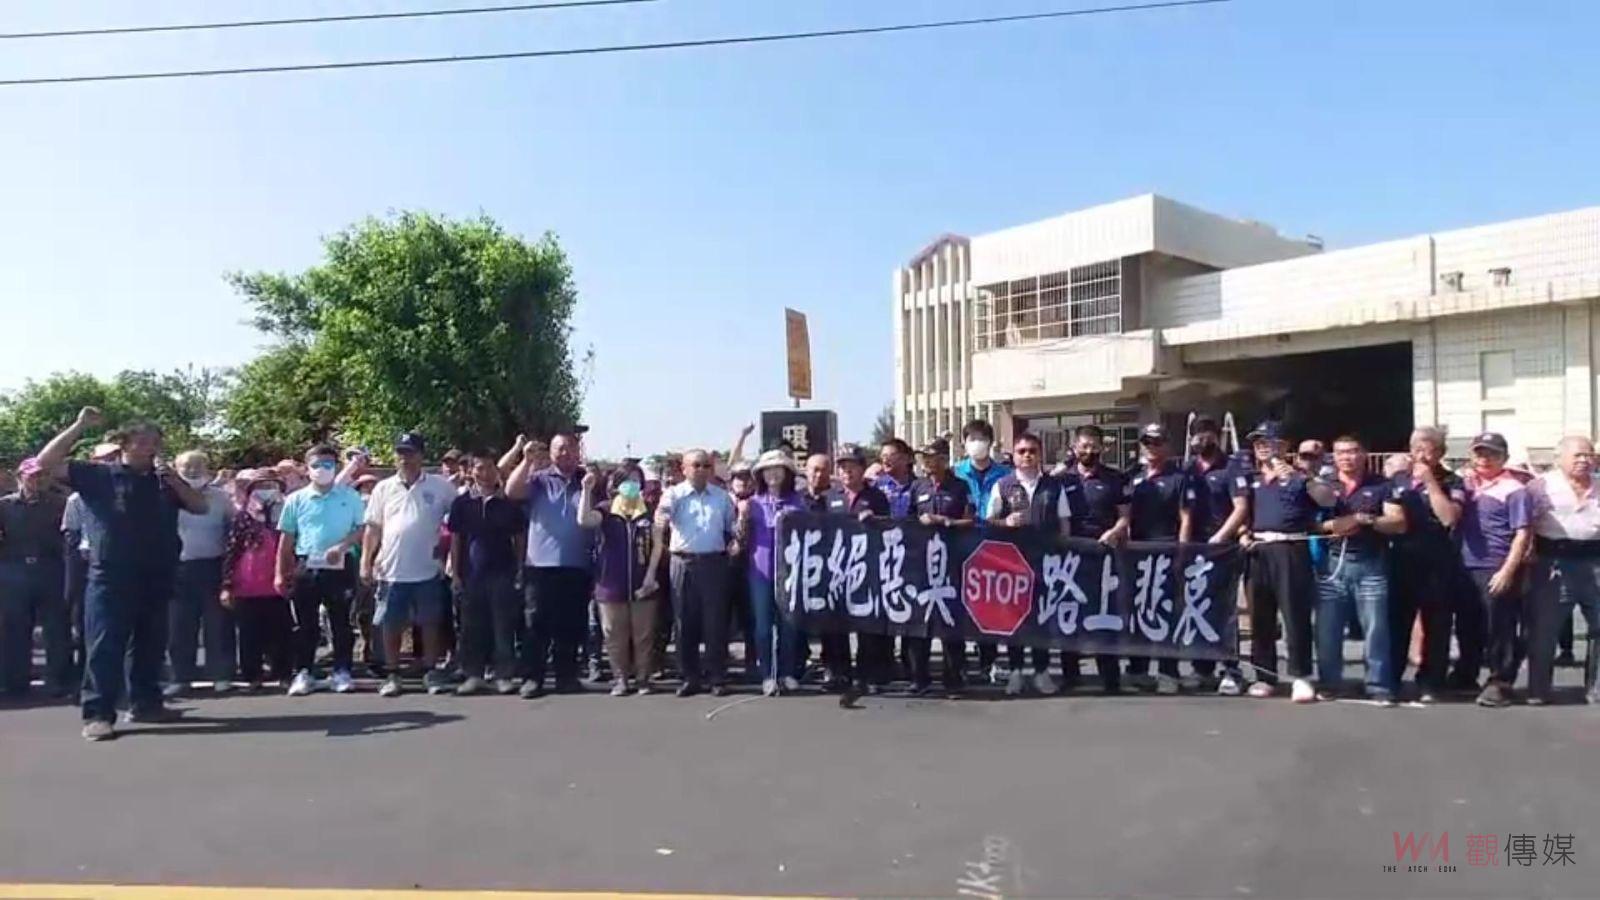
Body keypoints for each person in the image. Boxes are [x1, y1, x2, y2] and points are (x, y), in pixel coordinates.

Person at [34, 409, 209, 741]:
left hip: (157, 574)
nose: (149, 448)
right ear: (124, 445)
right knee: (105, 646)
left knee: (150, 645)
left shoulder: (164, 480)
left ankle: (146, 704)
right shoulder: (98, 475)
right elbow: (44, 463)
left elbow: (200, 507)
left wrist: (174, 479)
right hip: (111, 576)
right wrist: (79, 426)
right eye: (142, 442)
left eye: (154, 442)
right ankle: (98, 714)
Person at [1240, 421, 1335, 703]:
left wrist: (1300, 476)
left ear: (1283, 446)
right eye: (1257, 442)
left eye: (1266, 441)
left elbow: (1327, 500)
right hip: (1259, 549)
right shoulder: (1252, 479)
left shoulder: (1299, 477)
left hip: (1290, 547)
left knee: (1295, 614)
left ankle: (1301, 675)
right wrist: (1243, 534)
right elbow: (1243, 514)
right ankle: (1264, 675)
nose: (1261, 447)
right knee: (1260, 616)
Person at [361, 433, 457, 697]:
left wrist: (449, 553)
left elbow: (459, 521)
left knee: (430, 622)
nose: (405, 458)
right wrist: (365, 562)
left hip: (428, 568)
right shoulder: (383, 488)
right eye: (401, 453)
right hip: (391, 570)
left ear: (421, 456)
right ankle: (393, 674)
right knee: (391, 624)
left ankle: (430, 671)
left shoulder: (441, 487)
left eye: (410, 453)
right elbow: (373, 528)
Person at [1313, 435, 1405, 704]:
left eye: (1353, 451)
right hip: (1333, 564)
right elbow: (1310, 524)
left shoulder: (1382, 485)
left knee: (1376, 628)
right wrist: (1336, 525)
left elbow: (1398, 522)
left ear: (1364, 454)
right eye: (1341, 452)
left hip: (1371, 564)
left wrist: (1368, 521)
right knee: (1327, 629)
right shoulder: (1323, 486)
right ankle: (1330, 683)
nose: (1347, 457)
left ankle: (1378, 685)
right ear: (1333, 457)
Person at [641, 448, 739, 697]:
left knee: (716, 622)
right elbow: (661, 518)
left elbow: (731, 528)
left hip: (714, 563)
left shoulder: (722, 497)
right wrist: (661, 519)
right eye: (696, 465)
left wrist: (735, 540)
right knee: (684, 622)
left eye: (706, 466)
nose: (702, 470)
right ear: (684, 469)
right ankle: (689, 677)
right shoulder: (674, 494)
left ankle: (717, 676)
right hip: (683, 563)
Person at [986, 432, 1076, 696]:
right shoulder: (1002, 485)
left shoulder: (1053, 486)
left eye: (1032, 451)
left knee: (1041, 619)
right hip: (1012, 565)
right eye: (1022, 451)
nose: (1027, 456)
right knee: (1014, 620)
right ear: (1014, 456)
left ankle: (1041, 671)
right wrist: (1005, 522)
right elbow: (988, 522)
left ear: (1039, 455)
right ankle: (1016, 671)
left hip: (1045, 563)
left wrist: (1063, 553)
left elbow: (1064, 523)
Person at [506, 433, 593, 698]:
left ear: (578, 451)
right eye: (560, 448)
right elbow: (512, 491)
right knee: (535, 624)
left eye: (570, 448)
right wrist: (526, 460)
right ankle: (533, 678)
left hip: (577, 565)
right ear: (551, 452)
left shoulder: (586, 480)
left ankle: (567, 676)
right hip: (540, 565)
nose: (565, 453)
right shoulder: (539, 479)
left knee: (570, 624)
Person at [274, 445, 366, 696]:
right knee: (306, 624)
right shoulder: (296, 499)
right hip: (307, 565)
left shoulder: (350, 496)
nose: (322, 470)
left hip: (340, 564)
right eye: (316, 465)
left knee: (341, 621)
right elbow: (286, 539)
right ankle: (304, 671)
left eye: (327, 464)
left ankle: (342, 671)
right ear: (307, 469)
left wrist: (342, 546)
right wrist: (280, 573)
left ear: (336, 467)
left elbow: (360, 529)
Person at [1388, 426, 1468, 704]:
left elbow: (1449, 518)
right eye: (1416, 449)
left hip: (1438, 558)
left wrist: (1431, 483)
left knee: (1437, 623)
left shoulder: (1453, 481)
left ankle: (1431, 680)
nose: (1421, 455)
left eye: (1428, 450)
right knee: (1397, 621)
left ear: (1441, 453)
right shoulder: (1399, 479)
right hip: (1403, 557)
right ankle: (1392, 677)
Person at [1454, 432, 1533, 707]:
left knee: (1499, 628)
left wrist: (1507, 571)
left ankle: (1500, 681)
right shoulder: (1466, 485)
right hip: (1466, 566)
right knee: (1468, 624)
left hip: (1496, 565)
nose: (1484, 459)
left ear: (1504, 458)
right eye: (1479, 453)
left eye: (1492, 454)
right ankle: (1466, 674)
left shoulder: (1514, 489)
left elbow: (1522, 533)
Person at [1525, 436, 1600, 705]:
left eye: (1588, 455)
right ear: (1560, 458)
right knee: (1545, 629)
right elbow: (1526, 524)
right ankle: (1539, 689)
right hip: (1554, 561)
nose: (1584, 460)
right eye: (1577, 455)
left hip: (1594, 560)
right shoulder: (1541, 486)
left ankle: (1596, 689)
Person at [445, 454, 528, 695]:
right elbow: (456, 539)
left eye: (490, 467)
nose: (486, 473)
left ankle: (503, 675)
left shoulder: (508, 503)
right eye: (480, 468)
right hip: (471, 574)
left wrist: (520, 568)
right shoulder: (462, 503)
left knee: (503, 627)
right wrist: (456, 573)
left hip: (503, 572)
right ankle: (474, 675)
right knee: (472, 628)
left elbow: (519, 538)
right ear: (472, 471)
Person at [1122, 424, 1195, 694]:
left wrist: (1182, 551)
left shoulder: (1179, 477)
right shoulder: (1133, 475)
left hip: (1167, 549)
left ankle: (1168, 672)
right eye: (1147, 442)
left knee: (1167, 613)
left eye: (1157, 442)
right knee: (1139, 611)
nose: (1151, 447)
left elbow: (1186, 517)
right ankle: (1138, 671)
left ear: (1166, 444)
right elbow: (1124, 514)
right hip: (1137, 552)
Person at [1062, 424, 1129, 694]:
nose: (1089, 451)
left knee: (1105, 616)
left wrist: (1114, 532)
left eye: (1094, 446)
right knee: (1069, 615)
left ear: (1102, 448)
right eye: (1084, 446)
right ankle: (1070, 676)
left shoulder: (1115, 478)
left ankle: (1110, 678)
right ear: (1074, 448)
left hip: (1105, 556)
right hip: (1071, 557)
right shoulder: (1062, 479)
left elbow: (1125, 517)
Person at [1184, 417, 1249, 691]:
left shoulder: (1232, 467)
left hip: (1223, 548)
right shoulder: (1188, 469)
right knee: (1198, 606)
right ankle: (1202, 668)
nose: (1202, 440)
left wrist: (1221, 537)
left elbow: (1241, 507)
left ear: (1216, 436)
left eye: (1206, 435)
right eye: (1197, 436)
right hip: (1195, 549)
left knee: (1225, 610)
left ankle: (1231, 669)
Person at [734, 450, 806, 697]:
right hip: (761, 572)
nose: (773, 473)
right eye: (767, 469)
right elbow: (740, 539)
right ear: (761, 475)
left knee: (789, 624)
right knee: (763, 626)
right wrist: (742, 516)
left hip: (791, 571)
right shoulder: (753, 503)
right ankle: (767, 674)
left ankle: (786, 672)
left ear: (787, 473)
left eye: (778, 468)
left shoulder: (798, 502)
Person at [906, 438, 974, 695]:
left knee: (951, 622)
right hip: (922, 562)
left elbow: (970, 521)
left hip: (952, 560)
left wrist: (944, 521)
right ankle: (919, 678)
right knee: (918, 621)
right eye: (923, 457)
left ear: (944, 459)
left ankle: (953, 678)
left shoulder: (960, 487)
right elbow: (907, 520)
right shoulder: (917, 486)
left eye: (931, 457)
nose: (926, 462)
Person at [165, 450, 235, 696]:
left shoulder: (221, 497)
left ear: (208, 468)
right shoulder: (166, 495)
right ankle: (180, 677)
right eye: (187, 466)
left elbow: (231, 530)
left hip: (213, 565)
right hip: (177, 567)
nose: (193, 470)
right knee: (179, 626)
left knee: (218, 624)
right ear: (176, 468)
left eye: (198, 465)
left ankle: (221, 675)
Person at [583, 468, 657, 696]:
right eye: (627, 481)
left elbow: (658, 545)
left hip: (643, 583)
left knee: (644, 635)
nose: (632, 485)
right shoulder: (606, 510)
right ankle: (621, 679)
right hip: (610, 583)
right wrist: (586, 490)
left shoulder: (648, 511)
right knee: (614, 635)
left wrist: (651, 575)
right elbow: (584, 520)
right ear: (616, 484)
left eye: (636, 480)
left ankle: (643, 679)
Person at [0, 457, 70, 697]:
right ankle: (15, 681)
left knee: (56, 627)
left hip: (51, 568)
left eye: (42, 475)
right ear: (20, 477)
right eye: (32, 476)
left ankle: (57, 679)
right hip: (14, 570)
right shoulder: (5, 506)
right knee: (15, 627)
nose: (38, 480)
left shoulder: (59, 503)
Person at [828, 444, 893, 695]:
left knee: (867, 623)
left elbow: (890, 527)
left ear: (862, 469)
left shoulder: (876, 497)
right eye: (842, 467)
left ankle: (868, 674)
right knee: (837, 622)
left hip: (868, 566)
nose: (847, 471)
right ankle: (840, 672)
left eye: (852, 466)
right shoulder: (830, 497)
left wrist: (874, 519)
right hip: (838, 568)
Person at [953, 420, 1013, 685]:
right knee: (958, 607)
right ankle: (959, 664)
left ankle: (989, 662)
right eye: (972, 439)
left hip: (993, 546)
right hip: (961, 547)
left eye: (982, 438)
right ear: (964, 444)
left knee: (989, 607)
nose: (977, 444)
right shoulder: (955, 473)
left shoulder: (1005, 474)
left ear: (991, 443)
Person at [221, 470, 293, 692]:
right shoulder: (243, 516)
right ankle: (253, 675)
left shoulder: (287, 513)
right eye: (261, 486)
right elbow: (232, 550)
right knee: (249, 633)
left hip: (278, 580)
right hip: (247, 582)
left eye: (270, 485)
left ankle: (283, 672)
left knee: (282, 630)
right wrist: (227, 584)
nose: (266, 490)